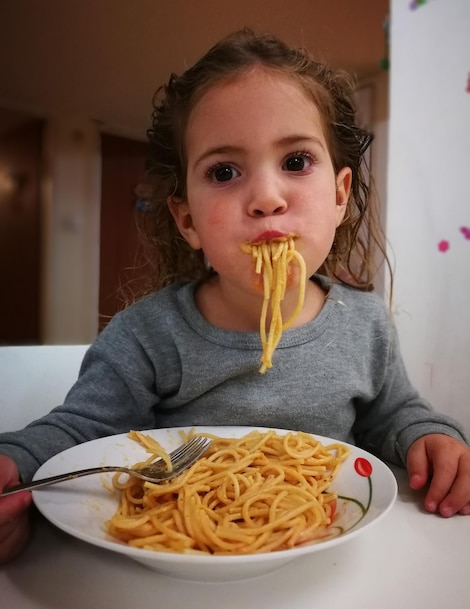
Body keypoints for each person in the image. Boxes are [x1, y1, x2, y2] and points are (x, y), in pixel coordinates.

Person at [1, 28, 469, 564]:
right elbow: (80, 431)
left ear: (340, 195)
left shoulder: (364, 325)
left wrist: (427, 437)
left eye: (296, 162)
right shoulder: (148, 334)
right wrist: (13, 460)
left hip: (328, 558)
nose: (267, 198)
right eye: (224, 172)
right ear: (187, 219)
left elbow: (393, 416)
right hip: (173, 565)